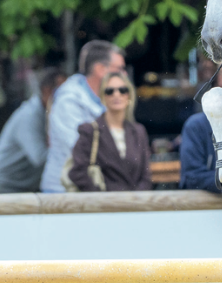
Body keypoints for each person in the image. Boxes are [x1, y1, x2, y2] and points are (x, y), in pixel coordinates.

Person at [41, 40, 126, 192]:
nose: (124, 75)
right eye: (120, 68)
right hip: (62, 192)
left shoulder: (109, 98)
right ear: (101, 69)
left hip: (93, 187)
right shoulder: (68, 101)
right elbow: (80, 150)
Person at [67, 70, 152, 192]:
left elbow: (146, 175)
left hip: (134, 205)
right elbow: (77, 172)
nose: (116, 95)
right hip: (103, 206)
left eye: (122, 90)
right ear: (102, 96)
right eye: (110, 91)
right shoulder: (90, 130)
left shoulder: (138, 131)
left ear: (129, 95)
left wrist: (134, 199)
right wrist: (100, 198)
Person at [0, 68, 66, 193]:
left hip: (26, 186)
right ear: (46, 91)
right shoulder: (30, 115)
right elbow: (40, 158)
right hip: (8, 187)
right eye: (61, 91)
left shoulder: (51, 113)